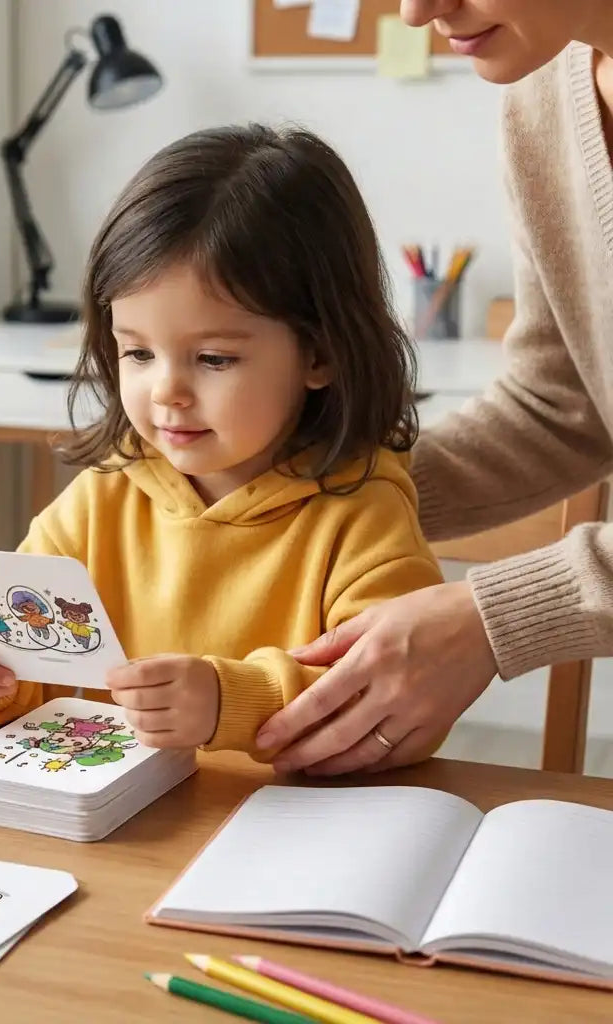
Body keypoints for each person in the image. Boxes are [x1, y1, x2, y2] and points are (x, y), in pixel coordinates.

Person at [0, 123, 444, 760]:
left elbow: (384, 694)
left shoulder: (363, 516)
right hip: (115, 831)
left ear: (321, 353)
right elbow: (20, 639)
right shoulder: (102, 497)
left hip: (278, 830)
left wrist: (229, 702)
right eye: (137, 352)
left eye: (214, 359)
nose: (167, 391)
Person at [255, 1, 613, 776]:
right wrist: (335, 489)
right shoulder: (543, 96)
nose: (419, 11)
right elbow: (564, 409)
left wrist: (492, 621)